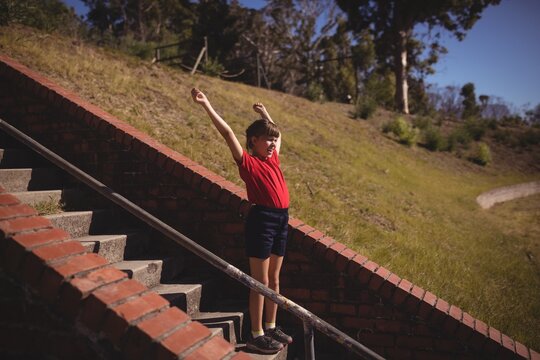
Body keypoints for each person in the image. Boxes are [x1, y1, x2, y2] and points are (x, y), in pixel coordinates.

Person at [191, 88, 292, 354]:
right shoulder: (248, 163)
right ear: (253, 141)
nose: (272, 144)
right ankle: (256, 334)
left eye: (273, 140)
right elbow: (227, 133)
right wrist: (207, 104)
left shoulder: (273, 159)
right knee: (259, 281)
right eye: (267, 140)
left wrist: (265, 114)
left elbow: (279, 135)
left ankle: (271, 326)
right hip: (262, 220)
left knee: (274, 279)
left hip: (282, 219)